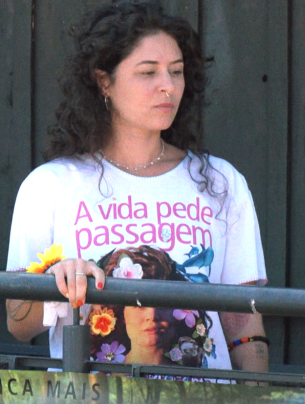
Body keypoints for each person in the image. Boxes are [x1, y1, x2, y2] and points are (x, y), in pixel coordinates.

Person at [6, 1, 268, 374]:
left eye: (176, 72)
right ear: (103, 82)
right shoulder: (51, 185)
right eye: (148, 72)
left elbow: (244, 323)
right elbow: (17, 323)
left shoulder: (221, 182)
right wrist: (56, 283)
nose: (168, 86)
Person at [89, 246, 216, 371]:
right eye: (139, 305)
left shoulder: (192, 379)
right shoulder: (101, 378)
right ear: (122, 314)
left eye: (163, 304)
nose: (153, 315)